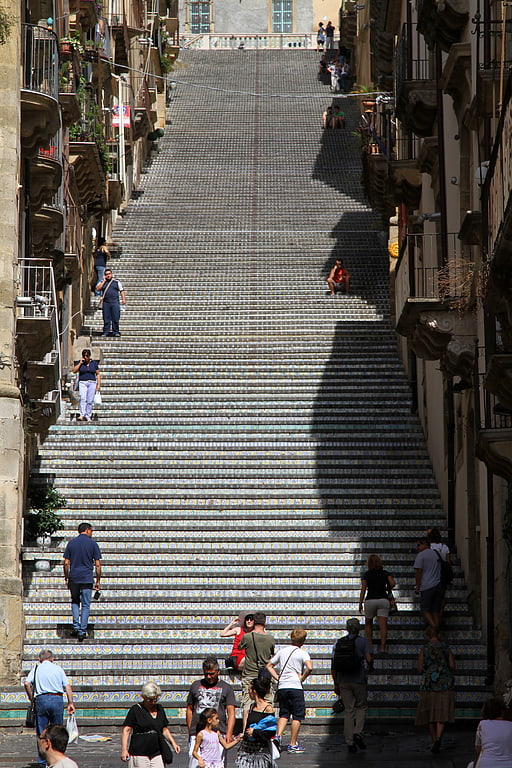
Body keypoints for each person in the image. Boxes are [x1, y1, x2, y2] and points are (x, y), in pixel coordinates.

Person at [23, 649, 75, 766]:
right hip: (57, 699)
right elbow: (67, 686)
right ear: (52, 658)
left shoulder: (36, 669)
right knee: (58, 731)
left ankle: (43, 761)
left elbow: (26, 683)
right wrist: (70, 702)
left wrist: (32, 698)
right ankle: (58, 758)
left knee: (42, 731)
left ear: (39, 659)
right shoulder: (58, 669)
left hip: (41, 699)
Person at [266, 628, 312, 754]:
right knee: (297, 715)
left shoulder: (283, 651)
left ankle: (278, 737)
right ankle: (293, 743)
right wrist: (301, 678)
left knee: (284, 713)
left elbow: (269, 665)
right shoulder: (302, 653)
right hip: (295, 686)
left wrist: (277, 677)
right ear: (303, 640)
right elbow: (310, 667)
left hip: (283, 686)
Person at [331, 618, 373, 754]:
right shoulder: (363, 641)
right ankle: (358, 732)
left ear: (347, 628)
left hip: (343, 680)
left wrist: (335, 682)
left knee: (348, 710)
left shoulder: (338, 642)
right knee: (361, 707)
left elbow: (334, 665)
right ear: (358, 628)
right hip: (358, 679)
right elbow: (368, 658)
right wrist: (371, 667)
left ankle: (349, 742)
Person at [186, 657, 236, 768]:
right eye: (206, 674)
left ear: (218, 672)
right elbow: (190, 709)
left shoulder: (226, 688)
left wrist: (229, 733)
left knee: (217, 764)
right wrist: (191, 730)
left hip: (218, 733)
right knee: (196, 763)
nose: (209, 677)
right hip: (198, 732)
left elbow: (231, 713)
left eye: (212, 674)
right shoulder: (195, 685)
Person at [415, 626, 455, 753]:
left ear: (427, 635)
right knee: (441, 714)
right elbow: (452, 665)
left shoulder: (424, 649)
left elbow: (420, 668)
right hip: (444, 684)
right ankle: (438, 738)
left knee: (429, 714)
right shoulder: (446, 648)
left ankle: (434, 741)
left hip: (429, 685)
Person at [121, 681, 181, 767]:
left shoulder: (160, 709)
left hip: (157, 752)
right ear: (144, 697)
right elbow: (126, 730)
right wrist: (124, 749)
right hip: (140, 752)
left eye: (155, 699)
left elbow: (164, 729)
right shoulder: (135, 710)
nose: (153, 702)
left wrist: (173, 743)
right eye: (150, 700)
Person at [63, 522, 102, 641]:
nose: (92, 533)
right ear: (88, 530)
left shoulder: (71, 543)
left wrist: (66, 577)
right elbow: (98, 565)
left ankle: (76, 626)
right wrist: (98, 580)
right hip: (87, 577)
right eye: (91, 531)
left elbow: (65, 563)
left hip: (74, 577)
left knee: (75, 601)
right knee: (85, 604)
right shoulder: (93, 544)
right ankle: (82, 630)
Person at [239, 612, 275, 727]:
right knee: (267, 702)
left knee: (247, 704)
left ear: (253, 622)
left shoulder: (247, 637)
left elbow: (240, 646)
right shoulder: (270, 638)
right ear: (265, 623)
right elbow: (272, 654)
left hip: (249, 674)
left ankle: (245, 730)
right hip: (264, 675)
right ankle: (268, 729)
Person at [235, 677, 277, 768]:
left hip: (261, 752)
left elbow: (271, 732)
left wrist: (255, 732)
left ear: (254, 691)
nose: (248, 692)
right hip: (247, 751)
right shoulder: (251, 706)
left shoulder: (268, 709)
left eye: (249, 689)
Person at [358, 554, 396, 654]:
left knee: (368, 623)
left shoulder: (367, 574)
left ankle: (370, 647)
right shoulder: (385, 573)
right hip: (383, 600)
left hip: (370, 600)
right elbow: (393, 583)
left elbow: (363, 590)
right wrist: (387, 588)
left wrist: (360, 603)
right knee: (383, 625)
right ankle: (383, 648)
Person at [474, 696, 512, 767]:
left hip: (487, 764)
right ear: (502, 711)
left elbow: (478, 749)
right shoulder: (510, 725)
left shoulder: (482, 724)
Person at [414, 538, 442, 629]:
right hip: (438, 585)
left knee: (425, 609)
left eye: (418, 545)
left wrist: (417, 586)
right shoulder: (436, 554)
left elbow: (419, 572)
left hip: (427, 586)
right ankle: (436, 631)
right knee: (435, 611)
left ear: (425, 544)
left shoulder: (421, 556)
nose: (417, 548)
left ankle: (434, 628)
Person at [427, 527, 451, 623]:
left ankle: (432, 619)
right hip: (442, 576)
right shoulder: (444, 547)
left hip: (431, 575)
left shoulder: (428, 547)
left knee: (431, 597)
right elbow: (448, 562)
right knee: (441, 597)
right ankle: (439, 614)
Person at [96, 267, 126, 337]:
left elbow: (122, 291)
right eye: (106, 274)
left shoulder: (116, 282)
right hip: (106, 303)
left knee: (115, 318)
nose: (108, 275)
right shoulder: (103, 282)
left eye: (109, 274)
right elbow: (98, 288)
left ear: (112, 274)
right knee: (106, 318)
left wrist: (123, 299)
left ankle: (116, 331)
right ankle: (106, 331)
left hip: (115, 302)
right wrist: (103, 281)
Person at [72, 349, 100, 423]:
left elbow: (98, 374)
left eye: (87, 356)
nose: (85, 357)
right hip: (83, 382)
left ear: (89, 356)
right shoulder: (80, 363)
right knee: (83, 398)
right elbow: (74, 371)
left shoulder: (94, 363)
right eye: (84, 356)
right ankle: (82, 414)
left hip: (92, 382)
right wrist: (80, 363)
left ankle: (88, 415)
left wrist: (99, 384)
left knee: (90, 400)